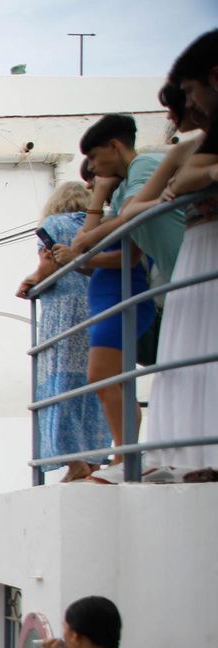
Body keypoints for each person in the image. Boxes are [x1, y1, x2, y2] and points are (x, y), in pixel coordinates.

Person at [50, 115, 159, 461]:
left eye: (95, 165)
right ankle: (124, 453)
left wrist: (82, 256)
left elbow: (126, 258)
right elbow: (85, 247)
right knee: (112, 380)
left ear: (114, 147)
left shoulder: (132, 192)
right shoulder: (114, 205)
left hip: (123, 295)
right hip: (107, 297)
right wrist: (98, 195)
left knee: (103, 376)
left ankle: (126, 455)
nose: (93, 172)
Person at [146, 31, 218, 474]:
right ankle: (197, 452)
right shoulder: (197, 144)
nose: (190, 107)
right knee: (195, 347)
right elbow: (189, 177)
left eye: (190, 93)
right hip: (199, 249)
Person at [21, 182, 118, 481]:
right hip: (98, 308)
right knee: (97, 387)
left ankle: (74, 463)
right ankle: (95, 460)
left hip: (63, 314)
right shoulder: (102, 225)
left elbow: (48, 266)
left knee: (59, 387)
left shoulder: (53, 225)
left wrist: (29, 282)